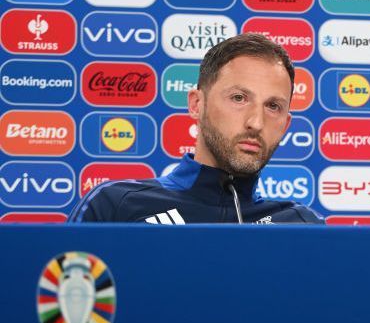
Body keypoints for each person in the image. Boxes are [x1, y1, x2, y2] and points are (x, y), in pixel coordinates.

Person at [69, 33, 323, 224]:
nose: (256, 123)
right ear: (196, 105)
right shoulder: (114, 206)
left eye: (273, 106)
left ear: (285, 125)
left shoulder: (301, 226)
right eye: (239, 98)